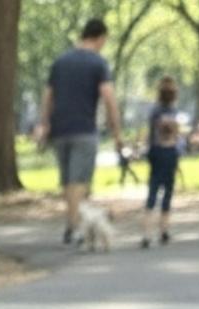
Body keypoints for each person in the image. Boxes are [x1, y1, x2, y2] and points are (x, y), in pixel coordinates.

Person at [36, 17, 123, 246]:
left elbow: (48, 96)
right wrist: (117, 132)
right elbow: (109, 98)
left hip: (59, 129)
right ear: (100, 37)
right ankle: (73, 228)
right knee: (79, 181)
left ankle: (73, 223)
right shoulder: (98, 63)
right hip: (84, 130)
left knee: (67, 182)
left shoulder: (60, 62)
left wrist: (44, 124)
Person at [141, 77, 182, 249]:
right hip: (170, 152)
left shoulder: (154, 112)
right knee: (167, 192)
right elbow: (175, 134)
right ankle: (164, 230)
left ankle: (146, 234)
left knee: (152, 191)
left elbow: (150, 136)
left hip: (155, 152)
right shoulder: (173, 112)